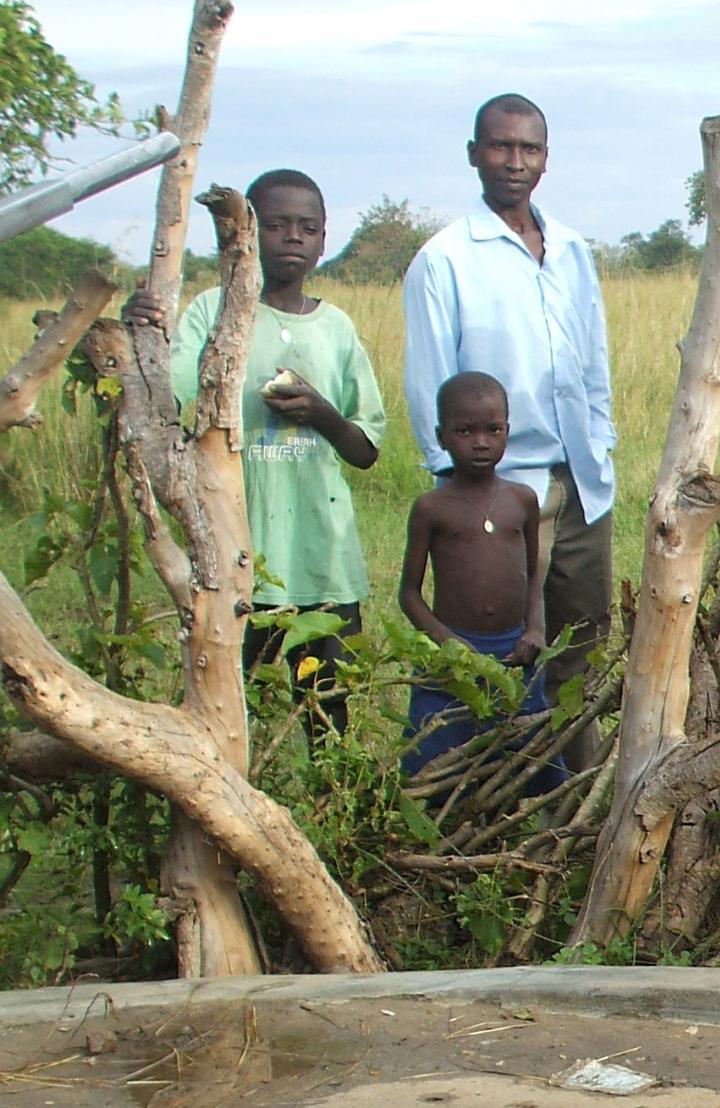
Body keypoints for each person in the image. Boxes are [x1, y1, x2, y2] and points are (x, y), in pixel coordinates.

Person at [402, 95, 614, 766]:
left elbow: (594, 360)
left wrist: (600, 446)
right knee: (502, 653)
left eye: (529, 149)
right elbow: (429, 381)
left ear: (546, 159)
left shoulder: (573, 250)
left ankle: (573, 798)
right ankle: (493, 794)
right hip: (498, 489)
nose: (514, 161)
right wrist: (461, 488)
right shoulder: (445, 261)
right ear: (474, 154)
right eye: (500, 146)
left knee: (580, 648)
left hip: (579, 480)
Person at [146, 168, 386, 732]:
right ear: (246, 234)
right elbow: (169, 398)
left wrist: (320, 412)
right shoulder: (214, 312)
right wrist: (145, 333)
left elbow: (365, 448)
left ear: (325, 238)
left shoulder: (337, 329)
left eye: (308, 227)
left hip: (321, 558)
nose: (293, 238)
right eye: (276, 225)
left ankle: (330, 808)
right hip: (237, 552)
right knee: (231, 697)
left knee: (328, 706)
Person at [397, 372, 556, 787]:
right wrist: (448, 643)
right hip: (454, 651)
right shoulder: (432, 508)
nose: (481, 442)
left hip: (513, 650)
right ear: (441, 435)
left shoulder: (521, 500)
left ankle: (508, 825)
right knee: (434, 753)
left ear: (508, 430)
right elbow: (409, 594)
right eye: (465, 431)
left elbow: (533, 573)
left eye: (493, 430)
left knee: (527, 752)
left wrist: (535, 629)